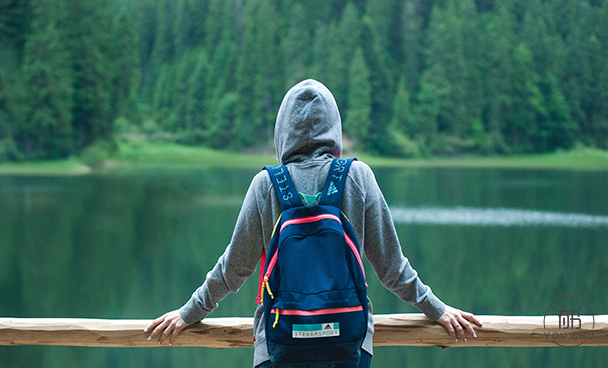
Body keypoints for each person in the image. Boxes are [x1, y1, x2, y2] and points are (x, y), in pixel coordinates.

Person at [145, 79, 482, 367]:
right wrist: (436, 309)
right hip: (347, 343)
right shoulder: (358, 177)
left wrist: (189, 313)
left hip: (280, 345)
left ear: (281, 131)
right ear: (334, 127)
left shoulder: (266, 185)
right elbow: (392, 269)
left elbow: (233, 270)